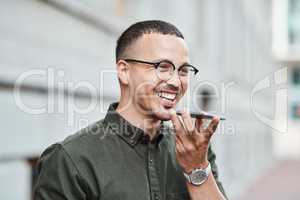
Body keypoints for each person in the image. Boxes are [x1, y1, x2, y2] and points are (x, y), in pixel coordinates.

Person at [33, 20, 227, 200]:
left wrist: (196, 169)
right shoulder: (69, 159)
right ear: (124, 71)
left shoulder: (196, 149)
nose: (176, 82)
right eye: (162, 67)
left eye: (183, 70)